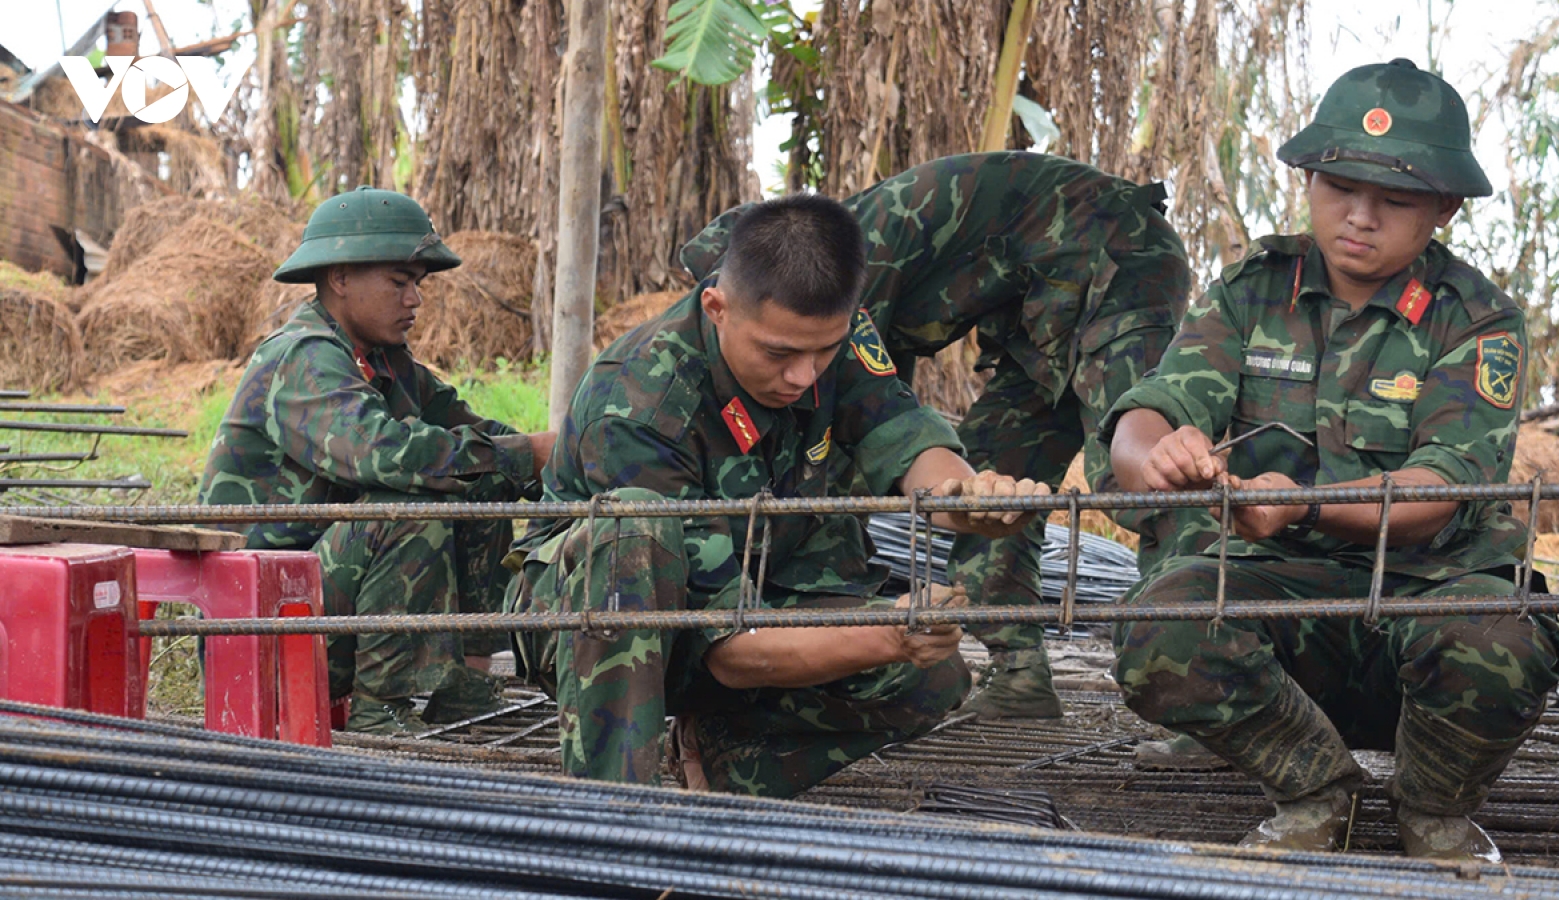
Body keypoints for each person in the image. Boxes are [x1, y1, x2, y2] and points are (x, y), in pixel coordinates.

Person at [1102, 60, 1559, 861]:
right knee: (1161, 626)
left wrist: (1304, 504)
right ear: (1309, 180)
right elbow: (1148, 415)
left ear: (1446, 208)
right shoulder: (1252, 291)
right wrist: (1158, 452)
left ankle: (1434, 808)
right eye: (1338, 188)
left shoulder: (1476, 320)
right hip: (1281, 605)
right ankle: (1315, 791)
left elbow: (1439, 491)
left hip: (1424, 599)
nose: (1359, 217)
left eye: (1394, 200)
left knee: (1504, 637)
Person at [504, 193, 1049, 796]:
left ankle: (721, 758)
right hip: (606, 623)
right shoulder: (639, 401)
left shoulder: (828, 335)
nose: (803, 376)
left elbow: (903, 438)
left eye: (825, 350)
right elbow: (727, 649)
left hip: (758, 596)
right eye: (779, 354)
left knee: (931, 678)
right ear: (716, 308)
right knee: (633, 532)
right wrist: (891, 633)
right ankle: (615, 809)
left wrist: (967, 500)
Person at [679, 151, 1200, 720]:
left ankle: (1204, 678)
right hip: (1037, 316)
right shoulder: (818, 290)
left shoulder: (844, 266)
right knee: (989, 483)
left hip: (1120, 260)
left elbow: (865, 426)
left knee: (1146, 470)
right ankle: (1019, 674)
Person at [199, 187, 554, 735]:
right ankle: (380, 709)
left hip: (328, 604)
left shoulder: (385, 362)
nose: (414, 299)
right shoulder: (304, 358)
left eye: (418, 284)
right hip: (267, 620)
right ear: (340, 278)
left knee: (481, 476)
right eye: (398, 282)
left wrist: (554, 457)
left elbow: (473, 435)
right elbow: (384, 455)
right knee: (407, 504)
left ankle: (463, 684)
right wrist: (524, 454)